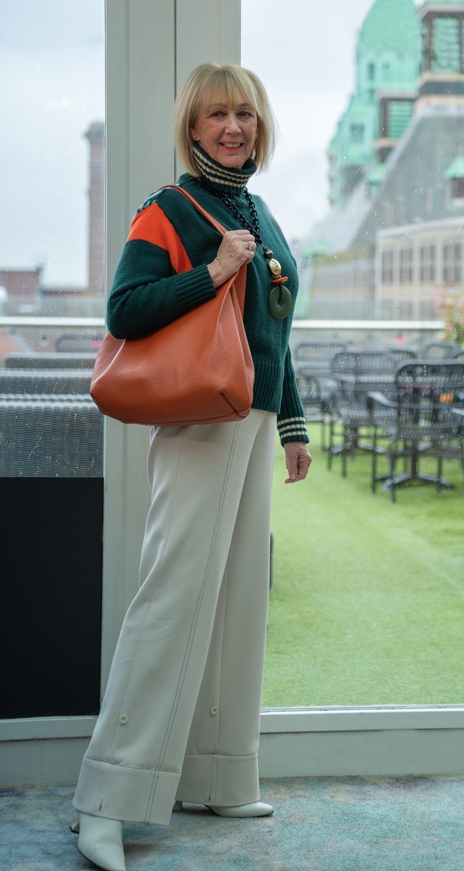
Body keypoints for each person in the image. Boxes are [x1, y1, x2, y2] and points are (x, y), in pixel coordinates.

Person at [72, 62, 312, 871]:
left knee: (241, 599)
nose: (233, 126)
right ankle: (104, 801)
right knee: (170, 599)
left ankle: (220, 771)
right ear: (192, 126)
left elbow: (277, 328)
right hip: (198, 417)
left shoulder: (262, 212)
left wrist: (292, 426)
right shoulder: (167, 210)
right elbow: (124, 311)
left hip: (251, 417)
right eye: (216, 114)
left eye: (244, 112)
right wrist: (212, 270)